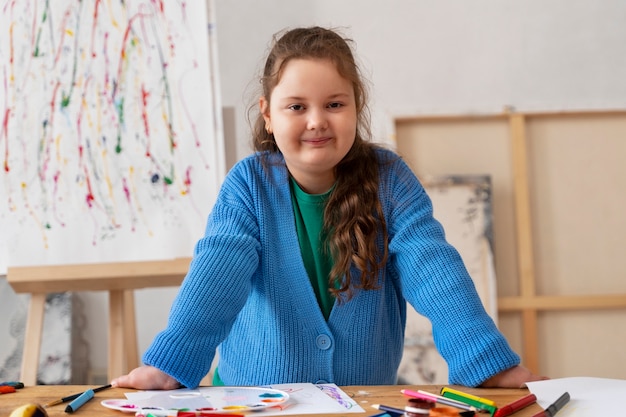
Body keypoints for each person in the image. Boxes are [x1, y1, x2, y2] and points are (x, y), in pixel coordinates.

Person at [112, 26, 546, 390]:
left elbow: (435, 272)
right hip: (252, 401)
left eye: (334, 104)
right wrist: (171, 365)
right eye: (296, 106)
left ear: (356, 107)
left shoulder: (389, 179)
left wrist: (487, 362)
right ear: (267, 114)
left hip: (362, 403)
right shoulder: (249, 185)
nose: (317, 120)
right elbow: (216, 277)